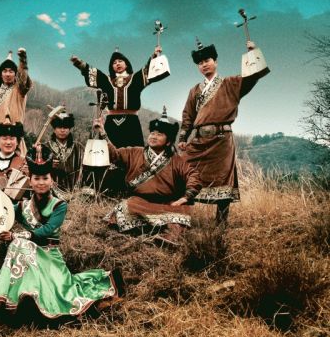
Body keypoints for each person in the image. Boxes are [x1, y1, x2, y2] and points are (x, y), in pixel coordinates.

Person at [0, 146, 125, 324]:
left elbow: (48, 230)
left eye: (45, 178)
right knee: (19, 245)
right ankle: (4, 297)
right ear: (30, 181)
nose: (41, 182)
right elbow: (0, 212)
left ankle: (27, 300)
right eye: (36, 178)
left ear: (52, 180)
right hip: (26, 254)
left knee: (19, 243)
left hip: (49, 257)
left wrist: (16, 236)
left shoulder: (59, 205)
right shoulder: (23, 206)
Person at [178, 39, 269, 225]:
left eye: (207, 60)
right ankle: (180, 219)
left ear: (216, 61)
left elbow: (253, 75)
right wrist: (183, 137)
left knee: (222, 178)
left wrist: (253, 52)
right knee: (182, 170)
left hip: (222, 139)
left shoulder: (230, 83)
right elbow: (188, 116)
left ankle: (221, 223)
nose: (204, 65)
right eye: (200, 63)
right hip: (199, 140)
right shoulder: (194, 90)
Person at [99, 108, 202, 245]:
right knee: (127, 206)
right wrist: (103, 133)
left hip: (167, 204)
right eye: (152, 133)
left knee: (183, 210)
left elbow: (193, 175)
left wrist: (186, 197)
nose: (153, 136)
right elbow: (115, 155)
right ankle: (146, 230)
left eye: (159, 134)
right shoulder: (134, 152)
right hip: (140, 201)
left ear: (168, 142)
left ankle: (167, 237)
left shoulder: (177, 160)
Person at [70, 45, 166, 148]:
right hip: (111, 122)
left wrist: (155, 55)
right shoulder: (107, 80)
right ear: (112, 67)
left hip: (132, 122)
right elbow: (91, 71)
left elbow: (148, 69)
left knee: (134, 152)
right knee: (108, 152)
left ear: (126, 64)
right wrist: (79, 63)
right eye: (114, 63)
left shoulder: (135, 78)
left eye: (120, 61)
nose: (117, 64)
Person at [0, 49, 32, 156]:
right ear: (0, 74)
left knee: (18, 165)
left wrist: (23, 61)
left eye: (11, 71)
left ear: (15, 74)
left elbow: (24, 79)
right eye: (4, 71)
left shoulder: (20, 91)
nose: (8, 74)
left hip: (15, 139)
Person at [43, 112, 83, 194]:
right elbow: (36, 170)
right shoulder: (45, 148)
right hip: (50, 191)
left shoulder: (78, 148)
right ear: (54, 129)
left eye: (65, 127)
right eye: (59, 127)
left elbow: (85, 169)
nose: (62, 130)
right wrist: (47, 165)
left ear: (69, 129)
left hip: (75, 191)